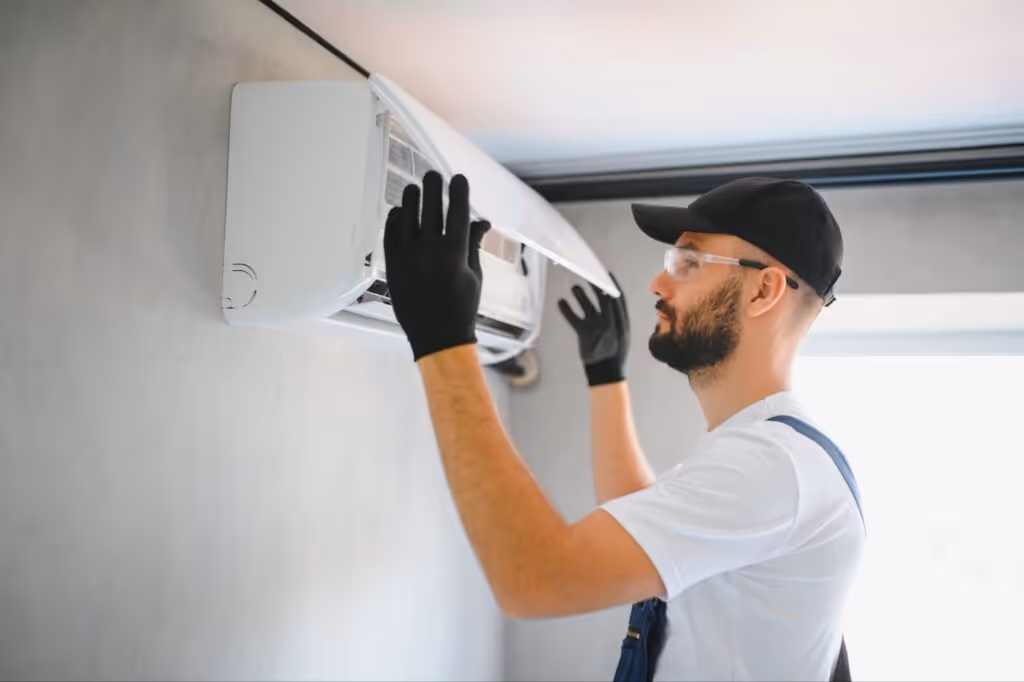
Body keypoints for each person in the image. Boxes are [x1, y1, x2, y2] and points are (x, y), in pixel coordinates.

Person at [383, 172, 864, 681]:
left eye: (689, 261)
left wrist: (443, 339)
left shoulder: (771, 466)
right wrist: (606, 377)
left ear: (763, 290)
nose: (658, 283)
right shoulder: (773, 453)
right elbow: (645, 521)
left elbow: (535, 577)